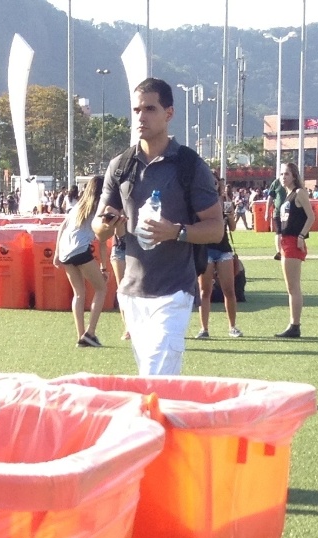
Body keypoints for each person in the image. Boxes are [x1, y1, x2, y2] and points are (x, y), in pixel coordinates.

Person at [93, 79, 223, 374]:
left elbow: (216, 228)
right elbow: (98, 229)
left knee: (156, 376)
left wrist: (176, 231)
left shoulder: (189, 164)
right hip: (133, 291)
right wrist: (107, 222)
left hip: (175, 290)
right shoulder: (121, 165)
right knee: (151, 381)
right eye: (136, 109)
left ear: (169, 113)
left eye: (150, 108)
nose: (141, 116)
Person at [56, 175, 109, 347]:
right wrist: (103, 267)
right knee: (101, 288)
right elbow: (101, 241)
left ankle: (80, 335)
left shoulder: (78, 206)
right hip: (80, 249)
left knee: (79, 293)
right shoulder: (99, 209)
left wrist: (56, 253)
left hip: (66, 250)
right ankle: (90, 333)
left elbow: (62, 227)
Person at [196, 179, 242, 341]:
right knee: (205, 291)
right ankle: (204, 328)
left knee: (229, 290)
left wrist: (230, 216)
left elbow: (233, 227)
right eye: (211, 181)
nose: (214, 185)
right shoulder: (200, 201)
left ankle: (232, 326)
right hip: (206, 249)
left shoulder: (225, 201)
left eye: (216, 182)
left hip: (224, 250)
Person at [269, 161, 311, 339]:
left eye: (286, 174)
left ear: (294, 175)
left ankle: (295, 325)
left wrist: (301, 236)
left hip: (294, 240)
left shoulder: (299, 193)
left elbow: (311, 216)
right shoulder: (286, 195)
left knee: (293, 287)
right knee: (290, 287)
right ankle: (293, 323)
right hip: (286, 240)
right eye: (281, 174)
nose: (283, 177)